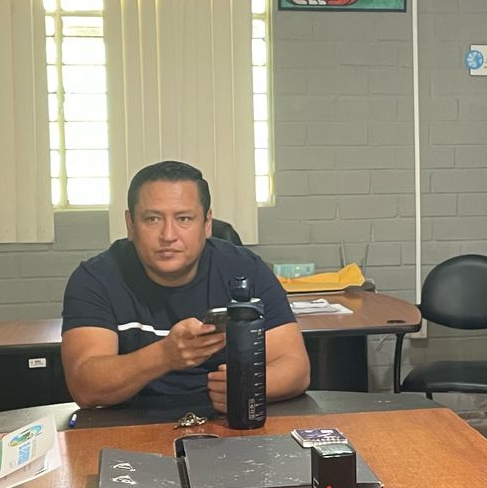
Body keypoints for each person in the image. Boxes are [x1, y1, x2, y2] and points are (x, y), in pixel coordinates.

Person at [61, 161, 310, 412]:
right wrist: (164, 356)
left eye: (184, 219)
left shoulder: (246, 269)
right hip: (128, 420)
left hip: (224, 418)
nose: (168, 235)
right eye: (152, 219)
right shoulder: (95, 279)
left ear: (207, 223)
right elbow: (85, 387)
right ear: (131, 224)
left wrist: (248, 386)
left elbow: (296, 368)